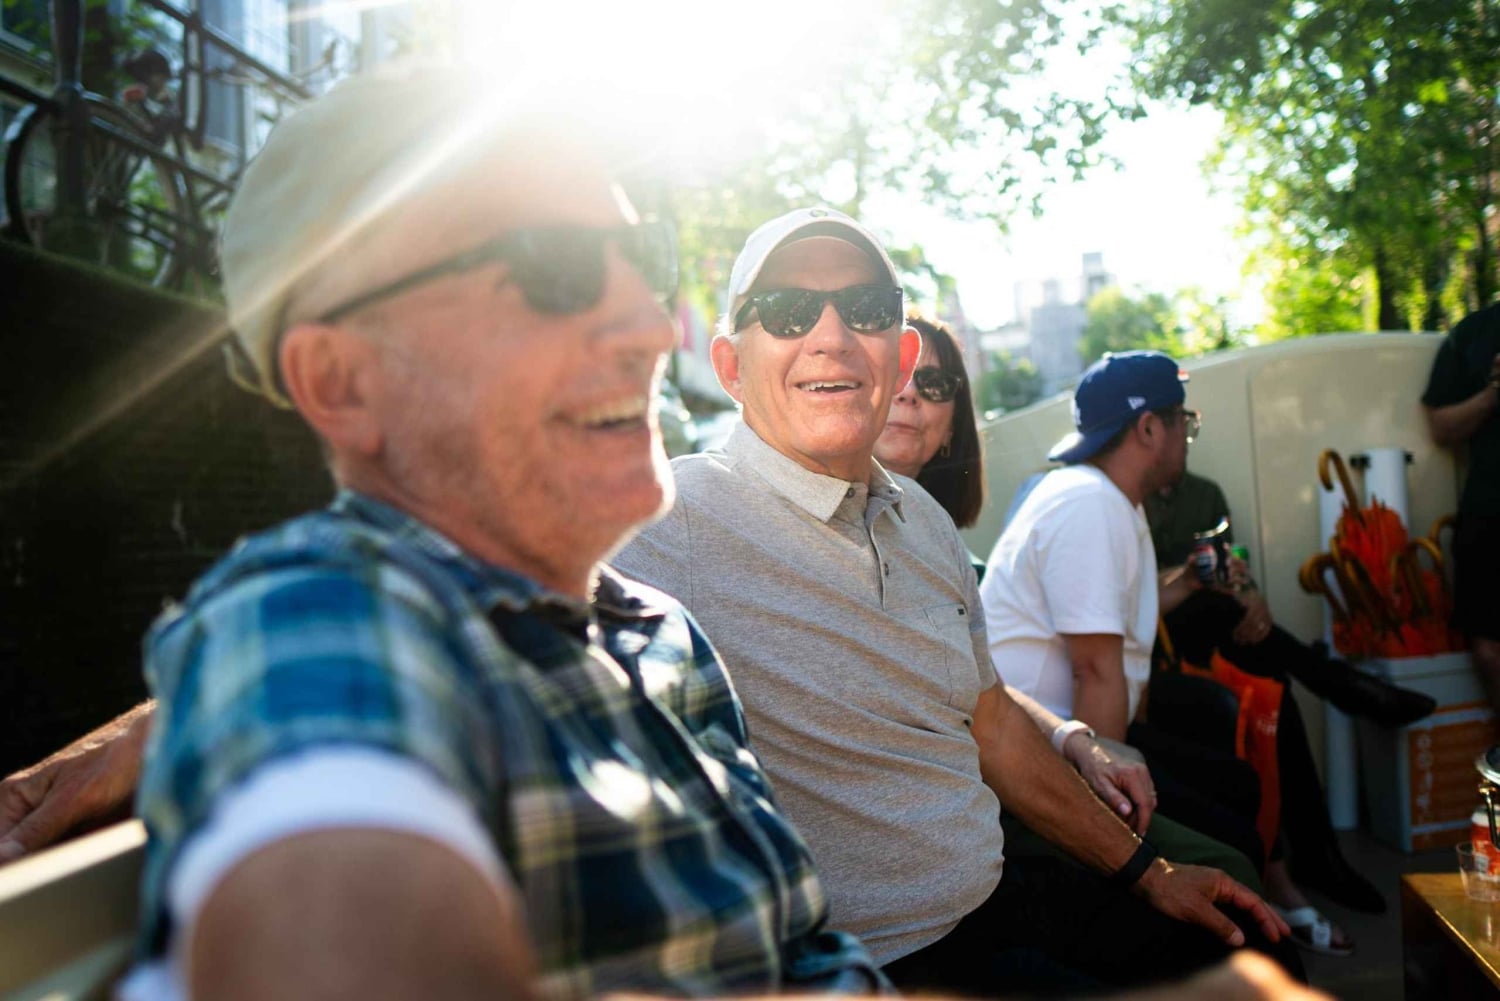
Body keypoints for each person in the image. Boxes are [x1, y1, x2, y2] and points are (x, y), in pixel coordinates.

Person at [100, 68, 906, 1000]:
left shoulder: (663, 633)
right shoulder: (323, 612)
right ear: (341, 381)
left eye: (634, 258)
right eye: (549, 269)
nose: (650, 327)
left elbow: (797, 951)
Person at [614, 211, 1295, 996]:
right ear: (731, 367)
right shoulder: (668, 520)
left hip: (1005, 896)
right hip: (883, 964)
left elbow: (994, 721)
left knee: (1257, 951)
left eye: (865, 308)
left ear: (899, 357)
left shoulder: (925, 520)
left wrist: (1150, 870)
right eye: (789, 311)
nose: (831, 335)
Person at [874, 317, 1260, 893]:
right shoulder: (1088, 503)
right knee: (1233, 857)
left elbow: (995, 695)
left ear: (954, 422)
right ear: (1150, 427)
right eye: (894, 373)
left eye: (933, 383)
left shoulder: (939, 537)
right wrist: (1108, 809)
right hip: (973, 798)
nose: (908, 393)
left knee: (1231, 783)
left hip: (1036, 749)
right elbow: (1088, 671)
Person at [1146, 470, 1434, 923]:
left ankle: (1319, 855)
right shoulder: (1115, 500)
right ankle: (1342, 688)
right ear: (1150, 429)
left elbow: (1229, 569)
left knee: (1273, 681)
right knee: (1228, 623)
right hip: (1156, 644)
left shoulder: (1204, 492)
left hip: (1215, 630)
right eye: (1181, 422)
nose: (1186, 434)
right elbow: (1128, 597)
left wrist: (1251, 595)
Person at [1422, 303, 1500, 714]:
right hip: (1489, 516)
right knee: (1489, 652)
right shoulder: (1473, 334)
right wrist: (1492, 395)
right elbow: (1440, 428)